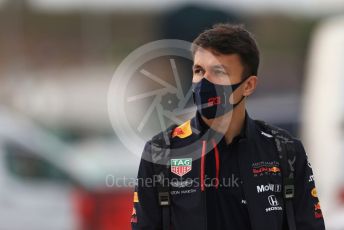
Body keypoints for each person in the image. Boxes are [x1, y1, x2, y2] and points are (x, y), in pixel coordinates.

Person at [130, 23, 325, 230]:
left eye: (218, 72)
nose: (204, 81)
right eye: (198, 70)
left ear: (248, 85)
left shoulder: (285, 151)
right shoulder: (163, 151)